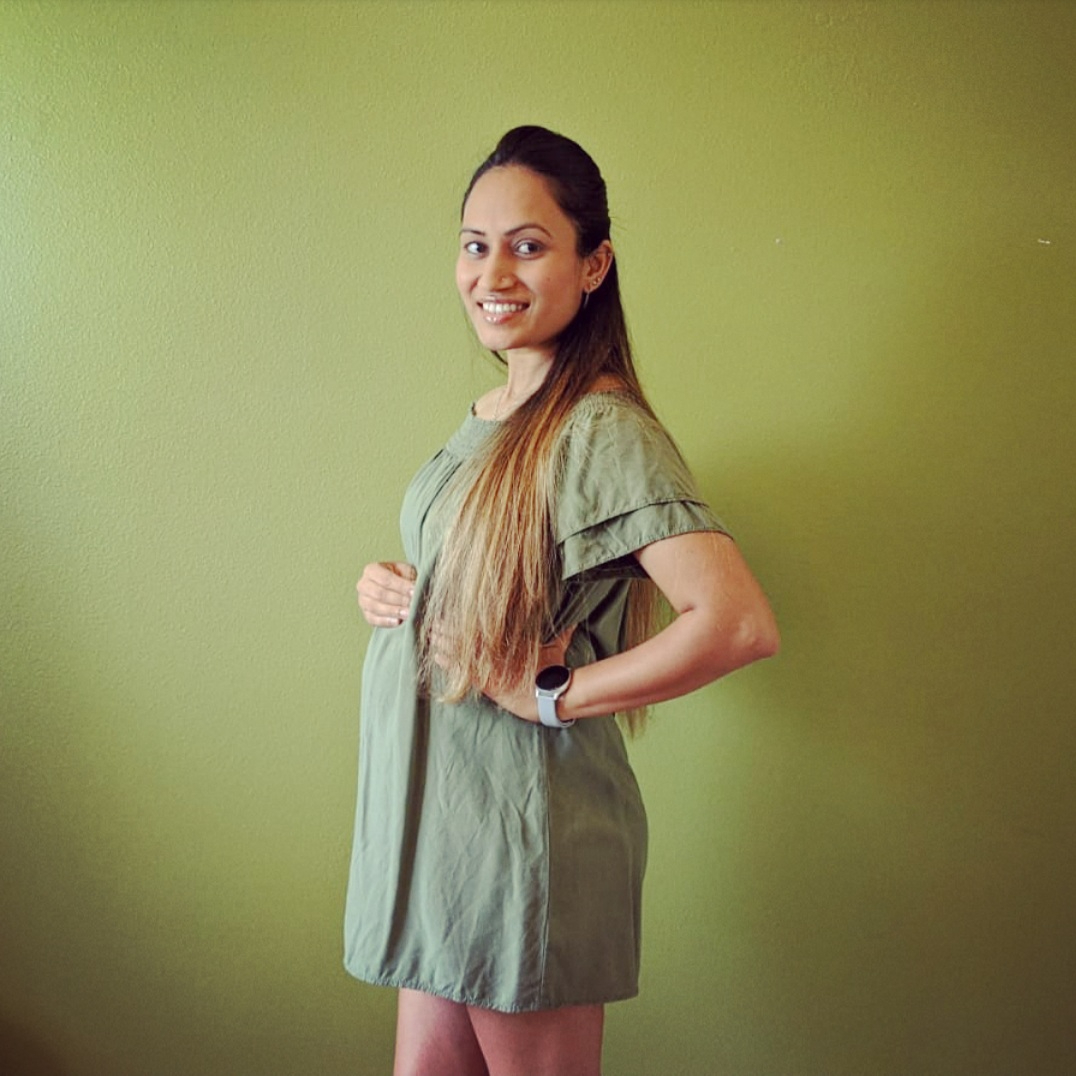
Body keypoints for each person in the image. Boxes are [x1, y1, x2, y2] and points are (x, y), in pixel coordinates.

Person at [345, 125, 779, 1076]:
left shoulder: (599, 429)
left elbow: (738, 623)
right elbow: (494, 572)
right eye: (475, 244)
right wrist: (401, 587)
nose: (492, 272)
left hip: (521, 844)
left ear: (593, 265)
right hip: (442, 829)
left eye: (528, 245)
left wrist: (552, 692)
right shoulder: (497, 415)